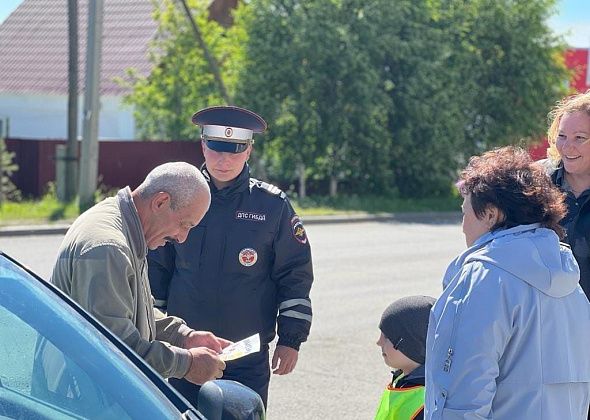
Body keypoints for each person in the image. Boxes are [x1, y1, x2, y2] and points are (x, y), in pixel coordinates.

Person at [148, 105, 314, 407]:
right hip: (184, 353)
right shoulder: (177, 198)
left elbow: (295, 275)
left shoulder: (272, 207)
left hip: (246, 355)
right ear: (203, 145)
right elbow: (156, 273)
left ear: (249, 150)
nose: (224, 160)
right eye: (216, 149)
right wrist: (151, 334)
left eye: (234, 151)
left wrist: (291, 340)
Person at [425, 146, 590, 419]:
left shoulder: (484, 276)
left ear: (491, 214)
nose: (463, 225)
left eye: (465, 213)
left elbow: (460, 391)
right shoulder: (570, 282)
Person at [51, 162, 230, 385]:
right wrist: (186, 364)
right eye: (185, 225)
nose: (182, 238)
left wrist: (183, 336)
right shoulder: (109, 248)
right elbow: (115, 349)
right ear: (161, 202)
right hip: (80, 396)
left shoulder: (126, 225)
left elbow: (129, 310)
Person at [545, 90, 590, 300]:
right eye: (561, 136)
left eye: (579, 138)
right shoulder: (536, 185)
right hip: (547, 322)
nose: (567, 146)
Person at [375, 295, 435, 420]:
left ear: (412, 345)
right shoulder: (402, 379)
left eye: (387, 337)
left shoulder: (427, 406)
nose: (379, 342)